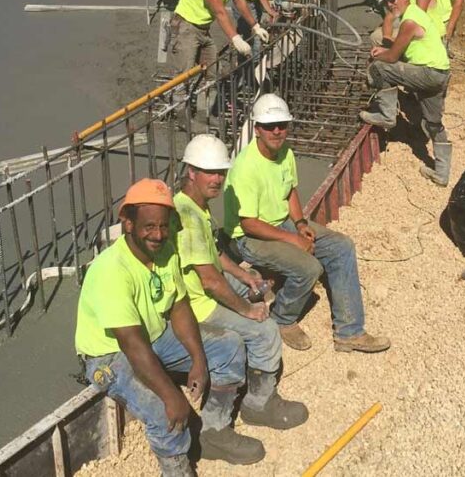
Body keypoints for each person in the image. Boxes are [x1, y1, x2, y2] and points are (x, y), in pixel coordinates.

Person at [74, 179, 263, 476]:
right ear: (127, 223)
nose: (158, 234)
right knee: (166, 412)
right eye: (149, 226)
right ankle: (177, 470)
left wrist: (199, 360)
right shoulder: (111, 271)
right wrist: (172, 396)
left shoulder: (166, 252)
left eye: (164, 226)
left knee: (229, 346)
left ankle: (215, 431)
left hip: (152, 335)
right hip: (111, 354)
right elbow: (131, 344)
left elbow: (179, 306)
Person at [223, 94, 390, 353]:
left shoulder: (285, 152)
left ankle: (349, 331)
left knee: (341, 246)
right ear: (257, 129)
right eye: (270, 126)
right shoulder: (246, 167)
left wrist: (300, 223)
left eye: (282, 124)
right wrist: (294, 240)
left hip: (280, 224)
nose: (277, 131)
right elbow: (249, 225)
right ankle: (283, 318)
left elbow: (290, 191)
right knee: (309, 268)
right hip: (251, 237)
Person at [173, 134, 309, 433]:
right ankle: (257, 405)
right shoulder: (187, 217)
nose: (218, 179)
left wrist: (243, 275)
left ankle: (253, 377)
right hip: (197, 305)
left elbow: (215, 253)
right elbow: (209, 281)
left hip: (203, 291)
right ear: (191, 172)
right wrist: (246, 310)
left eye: (221, 172)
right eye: (210, 172)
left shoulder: (197, 205)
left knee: (255, 289)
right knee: (265, 330)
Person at [360, 0, 452, 186]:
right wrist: (386, 51)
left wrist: (378, 56)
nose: (391, 4)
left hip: (428, 73)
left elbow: (392, 58)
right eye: (387, 2)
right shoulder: (415, 14)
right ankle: (442, 174)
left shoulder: (409, 21)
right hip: (441, 73)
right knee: (433, 122)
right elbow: (397, 51)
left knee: (378, 68)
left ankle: (386, 116)